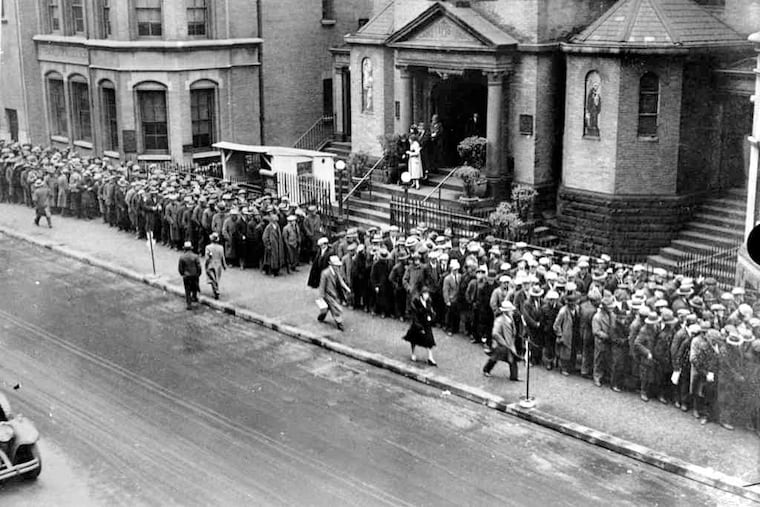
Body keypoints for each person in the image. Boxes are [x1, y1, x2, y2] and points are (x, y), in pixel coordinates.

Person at [483, 300, 519, 380]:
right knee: (494, 358)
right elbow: (495, 333)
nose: (512, 312)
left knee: (512, 359)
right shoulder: (499, 320)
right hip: (500, 345)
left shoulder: (510, 318)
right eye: (510, 310)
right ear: (506, 311)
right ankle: (486, 369)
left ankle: (514, 377)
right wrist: (503, 342)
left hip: (509, 344)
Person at [403, 286, 437, 366]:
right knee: (414, 339)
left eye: (427, 294)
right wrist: (419, 326)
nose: (426, 296)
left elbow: (431, 311)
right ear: (421, 294)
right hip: (418, 324)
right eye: (425, 294)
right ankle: (413, 353)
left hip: (426, 323)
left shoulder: (429, 302)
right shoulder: (416, 302)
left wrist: (431, 317)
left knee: (429, 340)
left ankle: (430, 357)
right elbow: (415, 315)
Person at [317, 255, 351, 331]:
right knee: (335, 309)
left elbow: (341, 281)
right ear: (331, 264)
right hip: (328, 295)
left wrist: (347, 288)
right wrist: (321, 297)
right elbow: (322, 286)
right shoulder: (325, 273)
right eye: (335, 265)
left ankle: (321, 316)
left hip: (335, 294)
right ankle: (339, 323)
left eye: (337, 265)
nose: (337, 267)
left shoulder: (337, 272)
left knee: (327, 309)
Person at [178, 240, 202, 310]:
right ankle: (194, 297)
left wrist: (183, 274)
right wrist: (198, 274)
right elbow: (199, 267)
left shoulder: (182, 257)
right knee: (195, 287)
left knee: (187, 290)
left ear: (184, 248)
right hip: (194, 275)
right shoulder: (195, 256)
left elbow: (180, 268)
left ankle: (189, 304)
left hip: (186, 276)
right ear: (191, 248)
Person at [204, 232, 227, 299]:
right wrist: (224, 265)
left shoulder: (208, 247)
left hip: (211, 263)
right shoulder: (221, 247)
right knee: (216, 278)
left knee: (212, 278)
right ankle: (216, 290)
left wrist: (206, 265)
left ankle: (216, 290)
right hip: (218, 264)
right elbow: (222, 257)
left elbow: (207, 257)